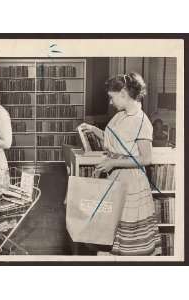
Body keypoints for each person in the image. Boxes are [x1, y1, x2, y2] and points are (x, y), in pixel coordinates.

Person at [79, 72, 162, 256]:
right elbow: (116, 141)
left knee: (128, 243)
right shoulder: (120, 115)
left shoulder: (142, 122)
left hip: (130, 183)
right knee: (109, 235)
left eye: (111, 97)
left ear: (123, 93)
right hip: (115, 177)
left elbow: (146, 159)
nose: (110, 102)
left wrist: (112, 163)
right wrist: (94, 130)